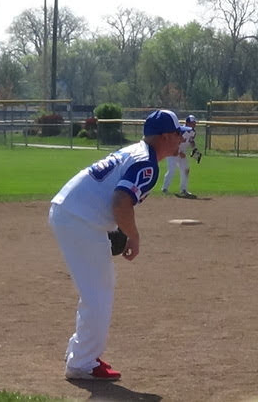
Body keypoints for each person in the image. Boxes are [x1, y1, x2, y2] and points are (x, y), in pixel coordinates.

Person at [48, 109, 190, 381]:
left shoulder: (138, 152)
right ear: (164, 136)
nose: (180, 139)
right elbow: (120, 202)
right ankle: (82, 362)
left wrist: (115, 228)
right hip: (79, 219)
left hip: (74, 213)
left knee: (99, 288)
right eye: (176, 133)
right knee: (98, 292)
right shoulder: (147, 163)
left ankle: (81, 353)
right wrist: (133, 235)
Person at [161, 114, 198, 198]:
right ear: (187, 123)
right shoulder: (181, 131)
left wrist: (194, 149)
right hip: (171, 151)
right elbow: (173, 142)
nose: (194, 124)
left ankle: (183, 190)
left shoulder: (193, 132)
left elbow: (191, 141)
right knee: (172, 170)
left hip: (181, 153)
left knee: (186, 169)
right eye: (192, 123)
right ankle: (165, 188)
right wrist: (179, 152)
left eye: (195, 123)